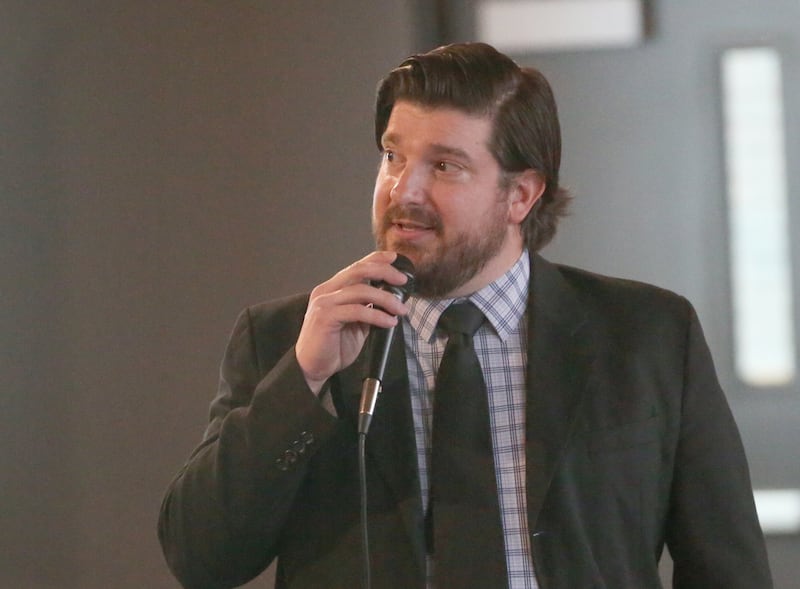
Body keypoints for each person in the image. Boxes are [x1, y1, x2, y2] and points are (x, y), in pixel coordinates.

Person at [158, 42, 772, 589]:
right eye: (393, 157)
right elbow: (201, 559)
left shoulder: (647, 336)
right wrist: (301, 381)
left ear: (520, 194)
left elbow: (727, 568)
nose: (404, 191)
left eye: (444, 166)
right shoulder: (287, 340)